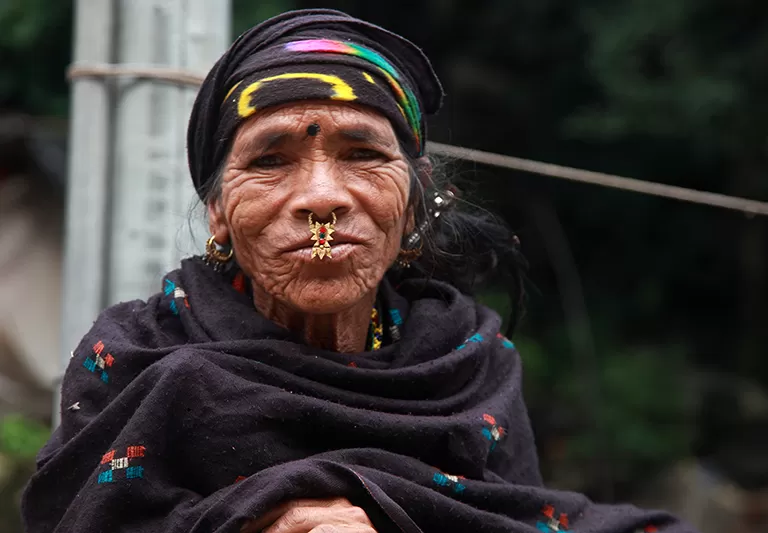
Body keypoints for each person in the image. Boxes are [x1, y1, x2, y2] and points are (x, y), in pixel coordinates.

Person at [22, 9, 699, 533]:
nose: (322, 197)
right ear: (219, 214)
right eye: (269, 160)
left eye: (362, 153)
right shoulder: (137, 362)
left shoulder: (469, 364)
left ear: (412, 204)